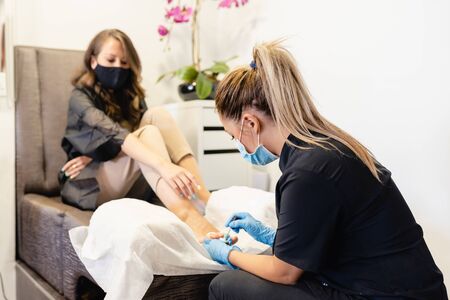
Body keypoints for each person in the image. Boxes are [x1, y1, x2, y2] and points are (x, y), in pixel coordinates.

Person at [202, 41, 448, 299]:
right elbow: (334, 236)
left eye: (234, 136)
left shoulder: (307, 172)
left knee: (224, 285)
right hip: (415, 291)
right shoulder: (325, 149)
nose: (238, 145)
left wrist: (229, 254)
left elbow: (284, 272)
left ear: (250, 123)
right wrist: (271, 237)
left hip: (384, 295)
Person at [59, 29, 217, 240]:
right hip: (92, 180)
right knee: (148, 133)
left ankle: (205, 199)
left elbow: (136, 137)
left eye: (124, 62)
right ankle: (190, 217)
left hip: (128, 173)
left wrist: (102, 151)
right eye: (111, 59)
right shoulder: (80, 96)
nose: (118, 67)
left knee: (157, 115)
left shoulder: (130, 93)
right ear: (93, 60)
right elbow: (114, 133)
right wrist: (165, 166)